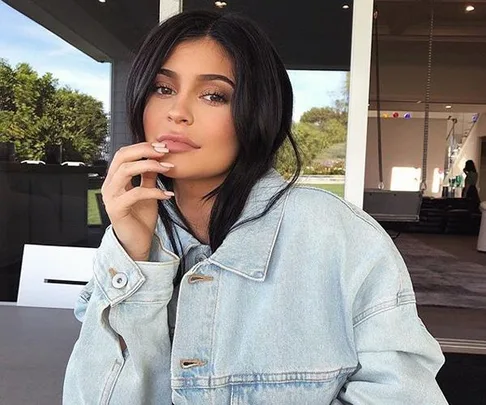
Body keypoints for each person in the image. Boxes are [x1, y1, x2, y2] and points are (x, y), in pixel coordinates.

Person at [63, 10, 448, 405]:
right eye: (163, 88)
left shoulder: (341, 238)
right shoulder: (132, 243)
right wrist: (133, 257)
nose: (177, 112)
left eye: (214, 95)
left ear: (257, 110)